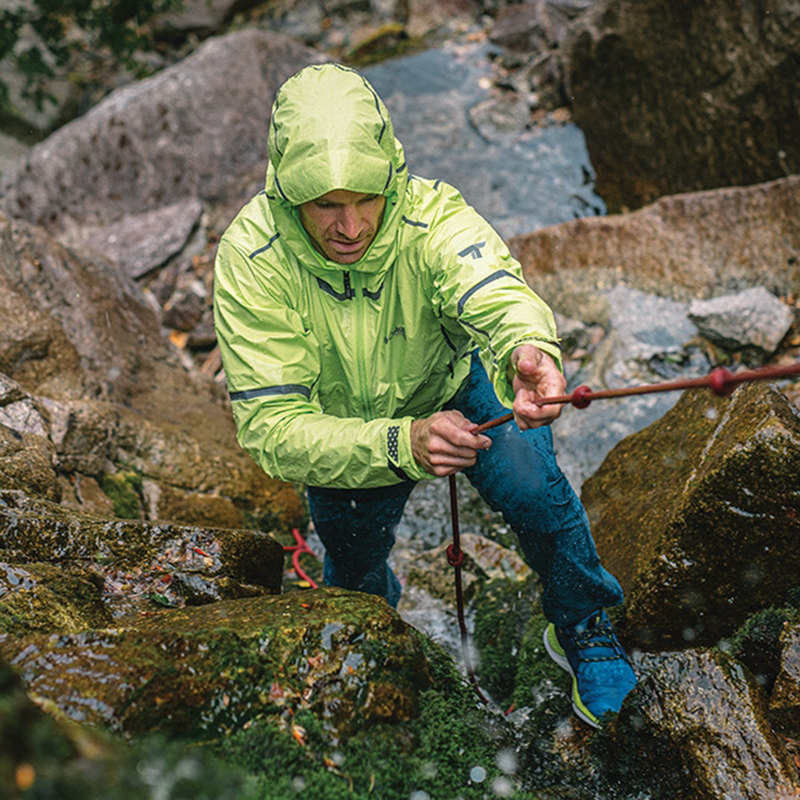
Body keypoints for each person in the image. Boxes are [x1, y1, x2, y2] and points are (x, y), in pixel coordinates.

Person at [213, 63, 637, 728]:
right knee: (352, 564)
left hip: (459, 388)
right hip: (346, 430)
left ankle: (581, 621)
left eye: (366, 199)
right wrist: (399, 443)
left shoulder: (429, 213)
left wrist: (527, 347)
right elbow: (273, 425)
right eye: (326, 205)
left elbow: (487, 279)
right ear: (290, 194)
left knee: (539, 497)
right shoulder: (253, 259)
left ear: (389, 176)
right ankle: (374, 623)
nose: (350, 226)